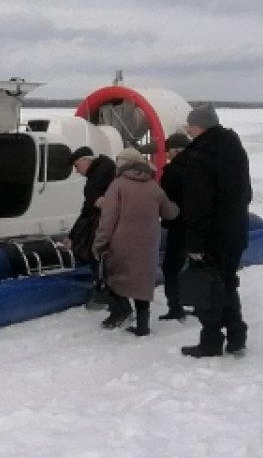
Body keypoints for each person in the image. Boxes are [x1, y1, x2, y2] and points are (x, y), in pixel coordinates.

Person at [178, 104, 253, 357]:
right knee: (228, 284)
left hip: (211, 237)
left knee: (207, 287)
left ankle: (210, 341)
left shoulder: (202, 155)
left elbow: (198, 205)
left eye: (190, 126)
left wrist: (195, 244)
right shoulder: (234, 149)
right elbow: (246, 194)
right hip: (235, 232)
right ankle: (236, 336)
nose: (188, 131)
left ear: (199, 126)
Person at [92, 147, 179, 336]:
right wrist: (180, 206)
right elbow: (169, 213)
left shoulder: (118, 185)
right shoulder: (153, 186)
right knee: (142, 281)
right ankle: (142, 325)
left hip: (120, 242)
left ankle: (119, 312)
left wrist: (100, 243)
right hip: (148, 243)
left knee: (114, 277)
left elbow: (108, 218)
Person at [158, 131, 192, 321]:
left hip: (178, 225)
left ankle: (175, 307)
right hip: (198, 225)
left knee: (171, 267)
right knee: (194, 265)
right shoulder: (199, 167)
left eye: (169, 150)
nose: (168, 154)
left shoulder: (173, 171)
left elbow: (166, 200)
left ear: (176, 150)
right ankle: (199, 302)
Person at [64, 146, 116, 265]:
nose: (77, 171)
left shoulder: (98, 177)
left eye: (76, 166)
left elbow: (88, 210)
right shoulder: (103, 171)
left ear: (85, 160)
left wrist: (73, 236)